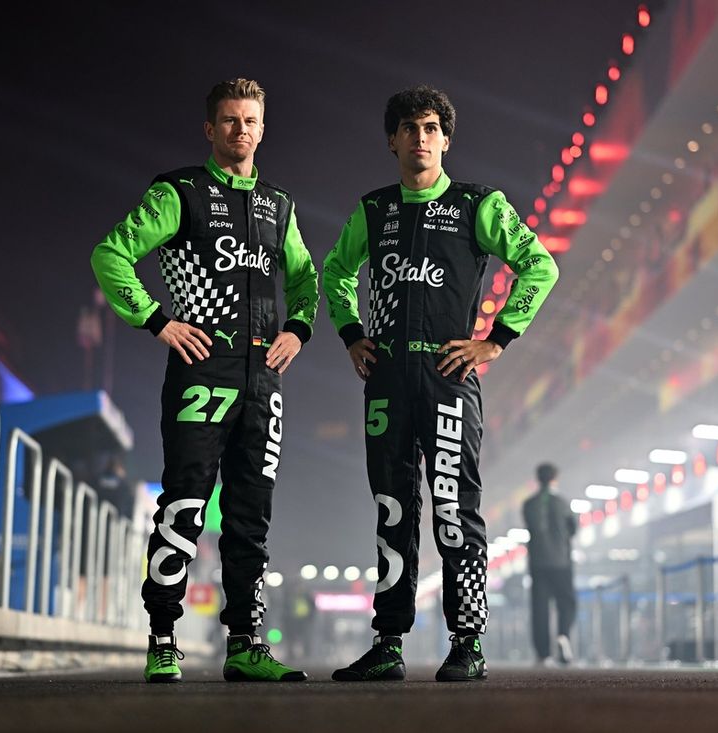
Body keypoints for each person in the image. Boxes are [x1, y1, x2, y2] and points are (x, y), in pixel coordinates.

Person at [322, 85, 559, 682]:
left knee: (454, 508)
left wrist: (495, 340)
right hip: (386, 379)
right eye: (409, 128)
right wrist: (351, 333)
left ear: (446, 139)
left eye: (431, 128)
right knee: (392, 509)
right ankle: (388, 645)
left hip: (449, 377)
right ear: (392, 140)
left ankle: (468, 642)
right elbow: (335, 271)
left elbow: (540, 265)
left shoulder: (479, 204)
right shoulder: (374, 209)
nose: (420, 138)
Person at [90, 78, 318, 683]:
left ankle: (245, 645)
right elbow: (111, 255)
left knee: (251, 516)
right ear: (209, 128)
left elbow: (306, 278)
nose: (240, 129)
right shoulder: (180, 192)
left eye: (250, 120)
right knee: (185, 503)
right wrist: (157, 320)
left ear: (263, 129)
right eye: (229, 120)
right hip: (201, 370)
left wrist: (298, 329)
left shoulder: (279, 204)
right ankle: (163, 638)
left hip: (263, 378)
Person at [522, 462, 577, 666]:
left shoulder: (529, 504)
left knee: (540, 607)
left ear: (538, 479)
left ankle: (542, 653)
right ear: (555, 478)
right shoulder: (562, 502)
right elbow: (573, 529)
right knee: (566, 602)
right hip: (561, 561)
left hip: (537, 562)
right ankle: (563, 635)